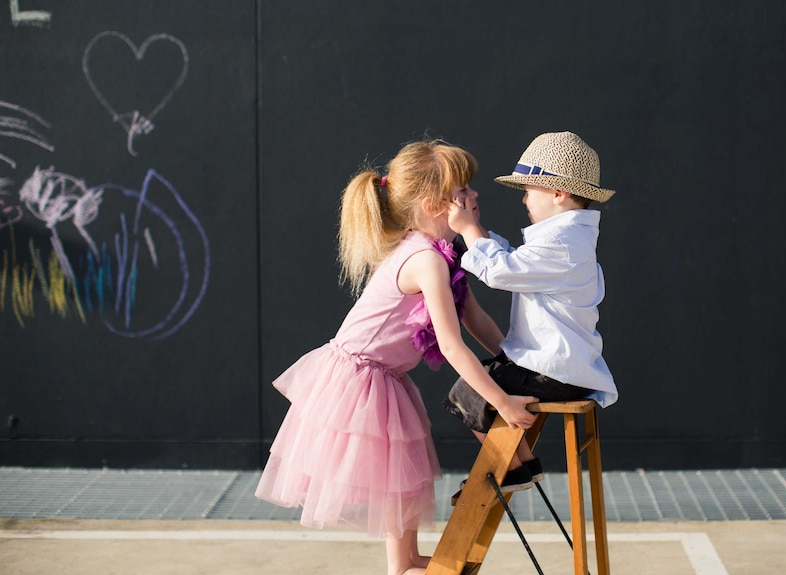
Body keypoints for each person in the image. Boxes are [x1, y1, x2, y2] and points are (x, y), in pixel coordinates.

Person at [255, 138, 539, 575]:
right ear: (433, 205)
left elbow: (475, 319)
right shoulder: (425, 259)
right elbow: (450, 343)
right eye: (462, 191)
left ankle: (404, 562)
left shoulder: (443, 255)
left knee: (401, 478)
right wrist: (502, 402)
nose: (474, 196)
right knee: (397, 476)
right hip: (359, 377)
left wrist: (515, 360)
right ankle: (401, 565)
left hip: (382, 376)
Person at [444, 131, 619, 494]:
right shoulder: (566, 238)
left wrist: (467, 229)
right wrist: (474, 232)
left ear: (558, 193)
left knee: (468, 391)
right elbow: (513, 259)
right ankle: (522, 465)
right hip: (558, 365)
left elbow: (500, 270)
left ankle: (511, 468)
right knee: (484, 384)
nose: (524, 198)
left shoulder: (562, 243)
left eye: (529, 190)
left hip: (551, 369)